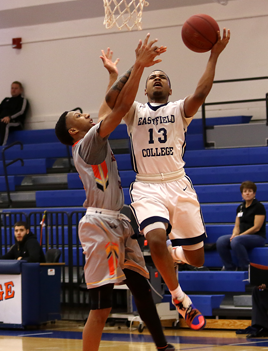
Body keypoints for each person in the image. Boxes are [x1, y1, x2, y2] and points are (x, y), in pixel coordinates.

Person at [104, 28, 230, 330]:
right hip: (147, 186)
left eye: (163, 77)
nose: (157, 78)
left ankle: (175, 254)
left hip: (178, 183)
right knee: (155, 238)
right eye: (152, 77)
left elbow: (200, 93)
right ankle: (179, 297)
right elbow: (112, 99)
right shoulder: (133, 111)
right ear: (145, 89)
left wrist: (213, 55)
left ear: (171, 90)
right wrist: (137, 66)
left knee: (197, 258)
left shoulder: (178, 109)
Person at [56, 36, 176, 351]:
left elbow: (108, 105)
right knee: (102, 307)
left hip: (118, 223)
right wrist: (138, 66)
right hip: (99, 227)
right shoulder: (87, 142)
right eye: (78, 115)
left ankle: (163, 346)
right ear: (73, 131)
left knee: (140, 286)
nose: (86, 115)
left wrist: (113, 74)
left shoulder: (90, 136)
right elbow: (121, 106)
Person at [216, 181, 267, 271]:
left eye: (250, 191)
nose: (247, 193)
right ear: (242, 194)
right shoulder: (240, 207)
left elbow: (257, 227)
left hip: (257, 237)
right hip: (242, 236)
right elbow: (237, 226)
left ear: (254, 193)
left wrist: (239, 236)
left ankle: (246, 268)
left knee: (236, 241)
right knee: (221, 241)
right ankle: (229, 267)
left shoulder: (259, 207)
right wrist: (234, 235)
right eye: (245, 191)